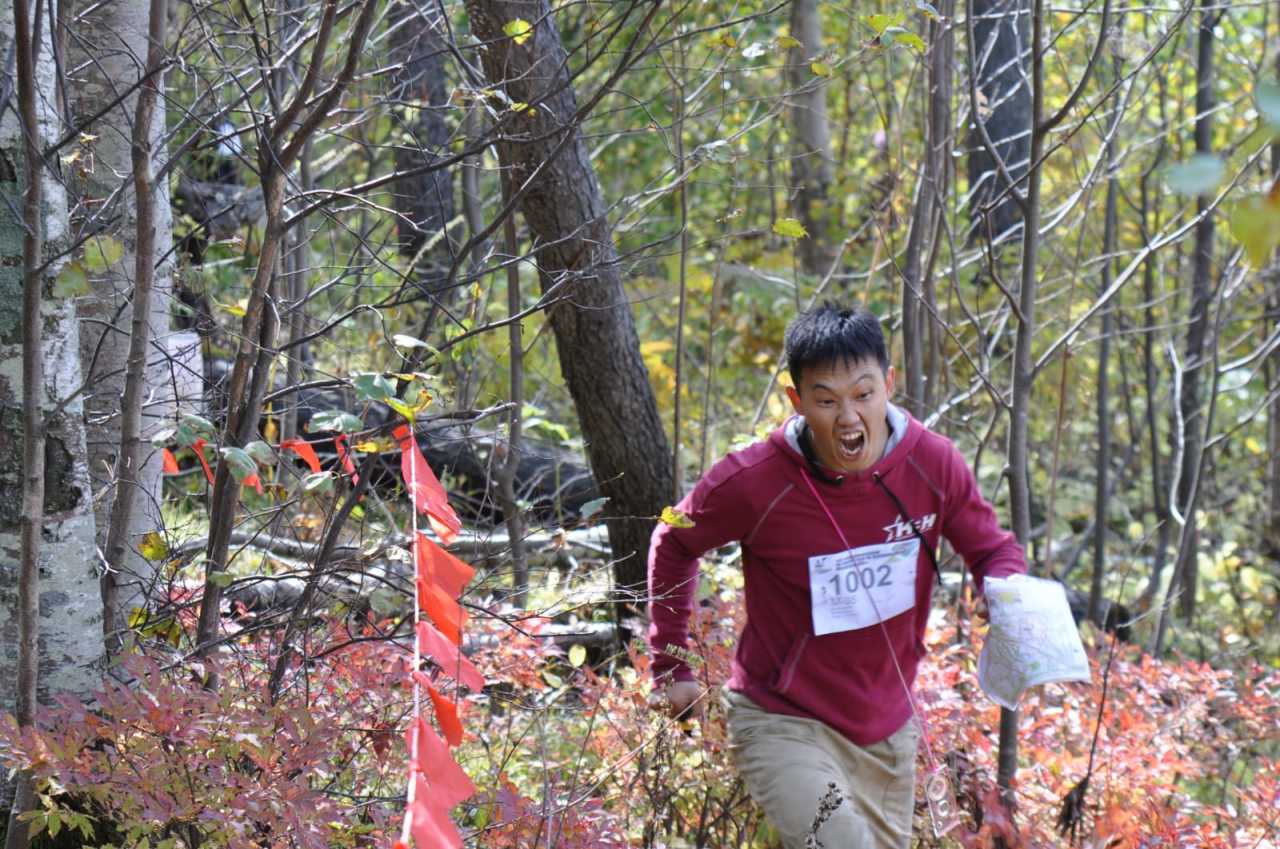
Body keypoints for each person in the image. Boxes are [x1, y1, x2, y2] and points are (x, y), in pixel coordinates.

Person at [647, 304, 1026, 848]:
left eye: (864, 394)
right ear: (797, 401)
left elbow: (993, 550)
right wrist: (670, 662)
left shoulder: (933, 465)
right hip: (782, 719)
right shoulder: (755, 480)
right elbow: (673, 539)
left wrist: (1008, 596)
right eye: (826, 400)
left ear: (889, 385)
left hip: (888, 730)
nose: (848, 417)